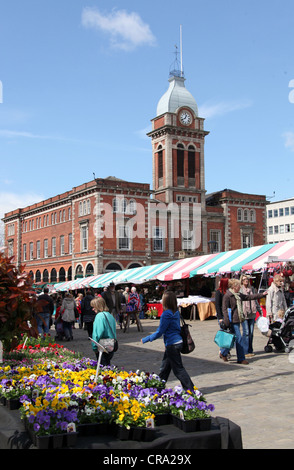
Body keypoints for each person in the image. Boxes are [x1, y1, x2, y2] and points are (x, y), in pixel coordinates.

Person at [141, 291, 194, 391]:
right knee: (165, 368)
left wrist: (146, 339)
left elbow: (160, 331)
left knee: (178, 369)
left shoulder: (166, 314)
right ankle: (158, 388)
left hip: (172, 344)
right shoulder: (176, 312)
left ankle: (190, 389)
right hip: (178, 342)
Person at [222, 279, 267, 365]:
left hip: (238, 319)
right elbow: (224, 309)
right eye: (238, 285)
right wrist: (226, 320)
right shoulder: (227, 296)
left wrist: (262, 295)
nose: (240, 287)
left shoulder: (238, 295)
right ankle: (241, 358)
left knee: (231, 339)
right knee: (238, 338)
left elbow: (248, 297)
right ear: (234, 286)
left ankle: (223, 353)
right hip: (231, 321)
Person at [240, 275, 262, 357]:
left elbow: (255, 299)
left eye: (247, 279)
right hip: (244, 314)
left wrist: (259, 310)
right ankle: (245, 351)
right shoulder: (240, 289)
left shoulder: (252, 289)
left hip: (252, 313)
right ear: (241, 281)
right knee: (246, 333)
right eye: (244, 279)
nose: (246, 281)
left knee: (251, 333)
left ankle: (250, 349)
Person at [90, 297, 117, 366]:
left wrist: (94, 347)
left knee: (102, 366)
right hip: (111, 343)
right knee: (108, 364)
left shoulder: (99, 316)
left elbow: (97, 333)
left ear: (98, 306)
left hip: (102, 345)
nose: (93, 309)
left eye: (94, 307)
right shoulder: (110, 315)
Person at [215, 278, 230, 361]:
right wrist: (220, 317)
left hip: (228, 315)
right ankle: (222, 350)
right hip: (222, 316)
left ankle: (225, 350)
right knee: (224, 334)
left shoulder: (228, 291)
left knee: (229, 334)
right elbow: (217, 305)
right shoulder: (218, 292)